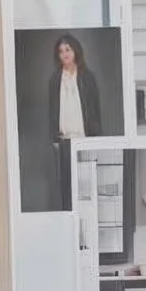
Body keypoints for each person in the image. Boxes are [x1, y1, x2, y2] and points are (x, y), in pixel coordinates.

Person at [46, 33, 104, 209]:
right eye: (61, 51)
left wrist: (97, 137)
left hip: (85, 136)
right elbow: (52, 111)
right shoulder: (55, 79)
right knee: (66, 183)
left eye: (68, 49)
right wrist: (54, 138)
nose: (65, 54)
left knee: (86, 180)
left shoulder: (87, 77)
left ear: (75, 51)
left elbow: (95, 109)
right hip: (64, 139)